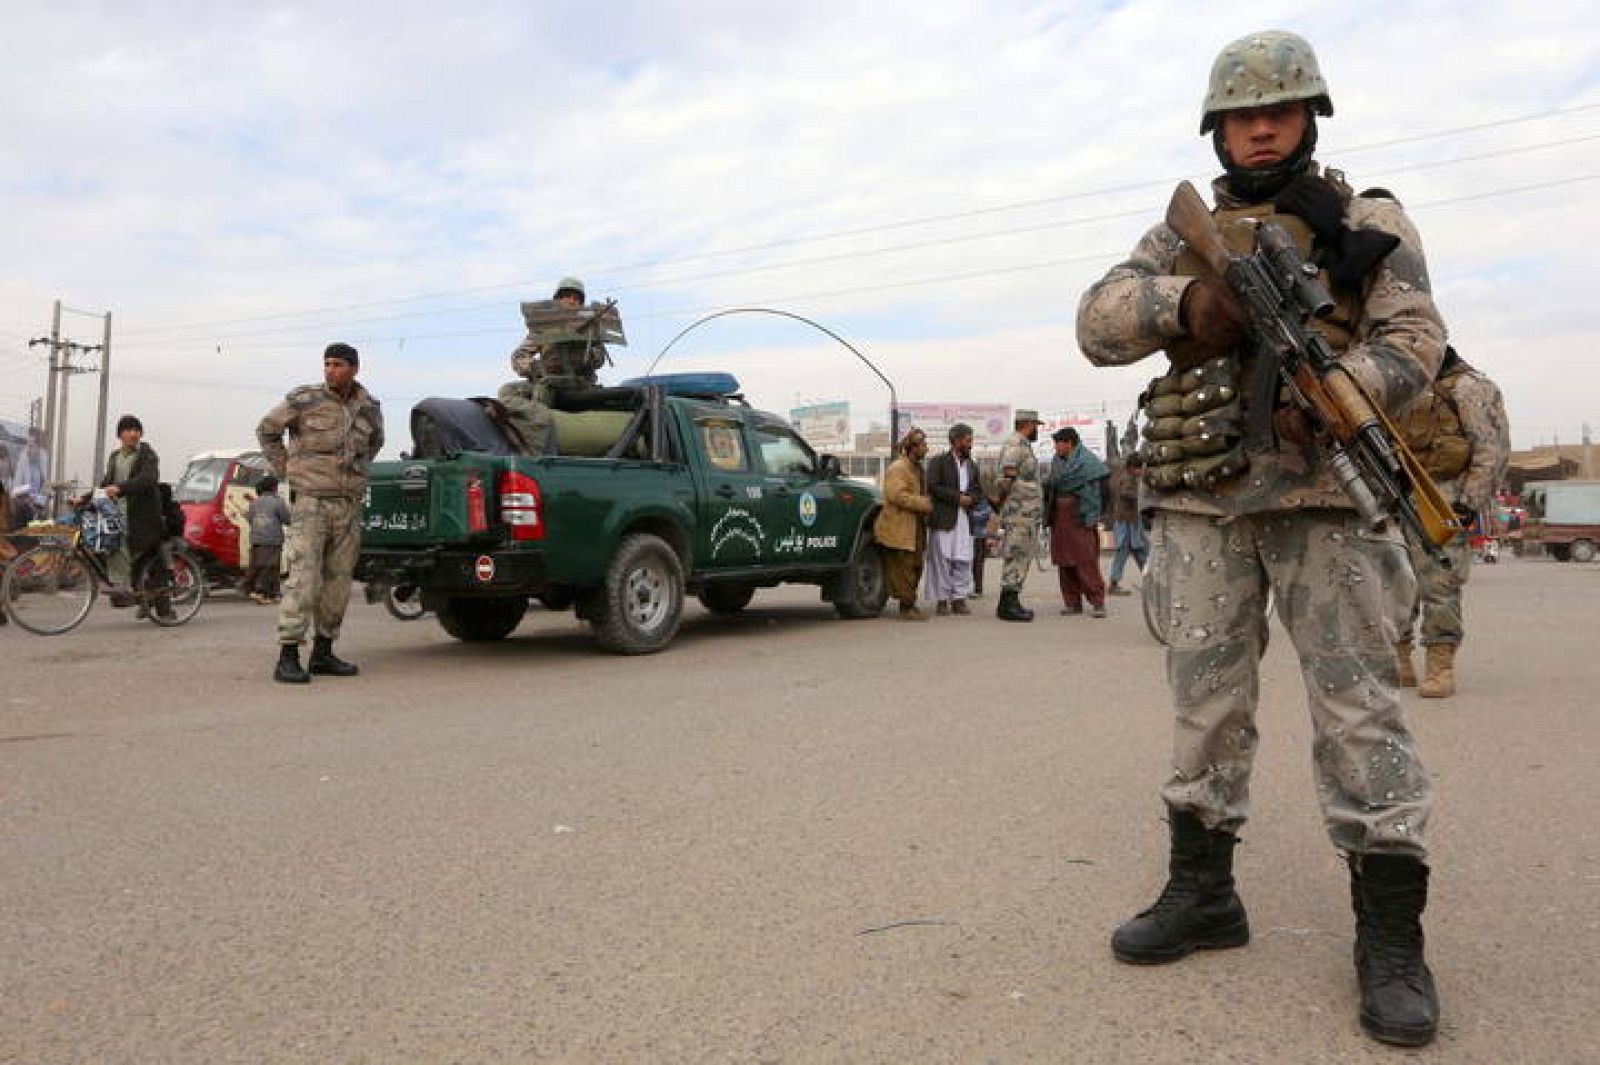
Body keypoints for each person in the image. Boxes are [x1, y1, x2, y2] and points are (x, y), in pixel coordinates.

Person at [1076, 30, 1446, 1046]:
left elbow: (1416, 337)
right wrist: (1189, 301)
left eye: (1280, 108)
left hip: (1326, 501)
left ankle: (1389, 943)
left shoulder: (1364, 221)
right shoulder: (1179, 236)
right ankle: (1203, 896)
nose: (1262, 125)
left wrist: (1340, 396)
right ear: (1218, 128)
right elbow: (1097, 322)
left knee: (1360, 715)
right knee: (1203, 712)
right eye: (1242, 113)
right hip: (1202, 508)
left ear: (1309, 116)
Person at [257, 342, 384, 683]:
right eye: (327, 364)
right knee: (303, 578)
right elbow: (267, 430)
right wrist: (287, 469)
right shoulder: (304, 399)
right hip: (310, 502)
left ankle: (324, 652)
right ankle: (288, 655)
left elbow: (374, 444)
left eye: (338, 364)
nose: (331, 370)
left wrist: (353, 476)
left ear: (354, 368)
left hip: (347, 504)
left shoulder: (369, 408)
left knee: (338, 581)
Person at [1394, 347, 1510, 697]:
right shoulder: (1404, 385)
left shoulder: (1470, 387)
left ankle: (1439, 664)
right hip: (1397, 495)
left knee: (1439, 585)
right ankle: (1399, 660)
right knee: (1392, 583)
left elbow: (1492, 450)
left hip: (1442, 497)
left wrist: (1468, 502)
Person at [98, 415, 171, 618]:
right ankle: (143, 600)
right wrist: (85, 498)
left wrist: (120, 488)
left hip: (144, 518)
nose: (133, 434)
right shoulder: (115, 457)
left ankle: (164, 611)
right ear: (120, 434)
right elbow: (106, 484)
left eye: (136, 430)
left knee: (154, 566)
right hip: (122, 513)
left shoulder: (147, 454)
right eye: (128, 430)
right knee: (139, 563)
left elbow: (147, 479)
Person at [1043, 426, 1110, 617]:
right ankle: (1072, 603)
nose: (1055, 447)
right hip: (1059, 519)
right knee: (1064, 561)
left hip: (1080, 517)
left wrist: (1095, 514)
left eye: (1058, 443)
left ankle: (1097, 602)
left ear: (1070, 443)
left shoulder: (1089, 463)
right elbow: (1052, 486)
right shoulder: (1056, 462)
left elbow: (1104, 492)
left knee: (1085, 560)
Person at [873, 427, 933, 620]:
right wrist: (923, 503)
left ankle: (908, 603)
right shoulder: (898, 468)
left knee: (916, 566)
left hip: (916, 525)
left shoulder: (917, 468)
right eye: (923, 445)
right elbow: (896, 495)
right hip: (899, 526)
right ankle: (907, 606)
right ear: (913, 447)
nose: (927, 449)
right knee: (904, 568)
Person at [923, 423, 981, 615]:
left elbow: (977, 490)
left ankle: (959, 599)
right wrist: (957, 497)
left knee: (963, 559)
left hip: (964, 519)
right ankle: (942, 600)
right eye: (967, 440)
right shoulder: (938, 462)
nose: (970, 444)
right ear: (956, 441)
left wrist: (971, 498)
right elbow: (932, 487)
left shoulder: (972, 465)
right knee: (942, 560)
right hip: (944, 519)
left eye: (971, 440)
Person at [992, 410, 1044, 621]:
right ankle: (1008, 606)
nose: (1037, 431)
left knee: (1021, 556)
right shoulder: (1015, 445)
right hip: (1019, 513)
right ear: (1028, 424)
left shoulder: (1023, 445)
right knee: (1016, 555)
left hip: (1026, 513)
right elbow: (1006, 477)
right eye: (1036, 426)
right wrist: (1003, 502)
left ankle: (1008, 602)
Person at [242, 475, 291, 605]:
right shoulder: (278, 502)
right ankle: (262, 592)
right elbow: (287, 519)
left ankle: (273, 593)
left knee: (257, 565)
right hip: (272, 539)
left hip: (256, 539)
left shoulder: (254, 503)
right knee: (271, 567)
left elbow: (250, 519)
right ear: (274, 487)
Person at [1106, 454, 1149, 596]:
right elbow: (1125, 493)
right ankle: (1114, 583)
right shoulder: (1126, 478)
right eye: (1139, 468)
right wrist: (1143, 497)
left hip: (1131, 519)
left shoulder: (1127, 476)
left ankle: (1151, 580)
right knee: (1124, 550)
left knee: (1140, 550)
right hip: (1125, 520)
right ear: (1132, 467)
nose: (1142, 471)